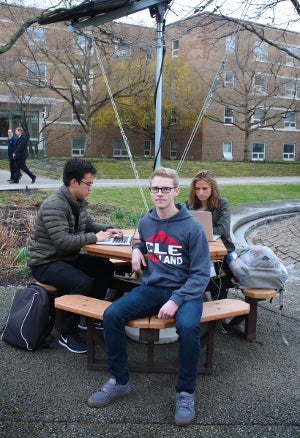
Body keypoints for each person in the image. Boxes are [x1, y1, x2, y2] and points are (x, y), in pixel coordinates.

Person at [88, 167, 211, 427]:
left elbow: (201, 275)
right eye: (155, 188)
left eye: (166, 188)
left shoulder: (193, 228)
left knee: (188, 327)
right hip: (153, 288)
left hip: (186, 291)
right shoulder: (146, 221)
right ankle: (120, 381)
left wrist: (176, 300)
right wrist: (135, 249)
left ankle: (185, 392)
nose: (160, 193)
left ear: (176, 191)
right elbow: (142, 239)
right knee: (112, 315)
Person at [27, 158, 124, 354]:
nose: (90, 188)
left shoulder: (76, 202)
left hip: (65, 258)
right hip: (46, 262)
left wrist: (109, 230)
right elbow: (62, 241)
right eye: (88, 184)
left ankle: (90, 317)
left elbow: (90, 225)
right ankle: (67, 333)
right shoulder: (55, 205)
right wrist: (95, 237)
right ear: (74, 182)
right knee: (82, 283)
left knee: (105, 266)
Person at [186, 169, 236, 299]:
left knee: (218, 277)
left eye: (204, 188)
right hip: (195, 248)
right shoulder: (189, 204)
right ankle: (198, 298)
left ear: (212, 188)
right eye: (197, 189)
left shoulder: (221, 203)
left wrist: (197, 231)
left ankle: (218, 303)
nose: (200, 193)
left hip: (221, 248)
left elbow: (223, 229)